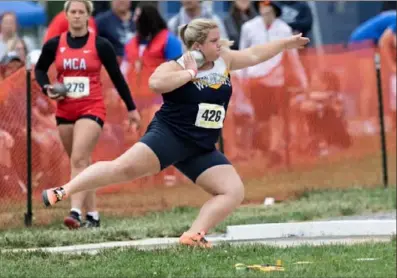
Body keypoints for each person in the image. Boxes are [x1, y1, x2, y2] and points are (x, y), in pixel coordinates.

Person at [42, 17, 308, 246]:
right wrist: (190, 72)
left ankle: (194, 235)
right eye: (214, 41)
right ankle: (63, 191)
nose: (220, 44)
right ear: (197, 46)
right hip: (169, 136)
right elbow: (156, 82)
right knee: (121, 169)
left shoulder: (223, 60)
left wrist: (285, 44)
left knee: (232, 191)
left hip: (200, 146)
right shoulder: (177, 65)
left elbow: (254, 55)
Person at [35, 0, 140, 230]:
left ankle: (74, 213)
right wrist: (47, 88)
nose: (76, 16)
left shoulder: (100, 44)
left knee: (79, 159)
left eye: (81, 12)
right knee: (82, 164)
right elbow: (40, 69)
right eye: (72, 12)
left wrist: (131, 108)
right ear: (66, 15)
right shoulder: (55, 44)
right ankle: (92, 215)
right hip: (64, 109)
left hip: (91, 108)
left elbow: (117, 77)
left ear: (87, 16)